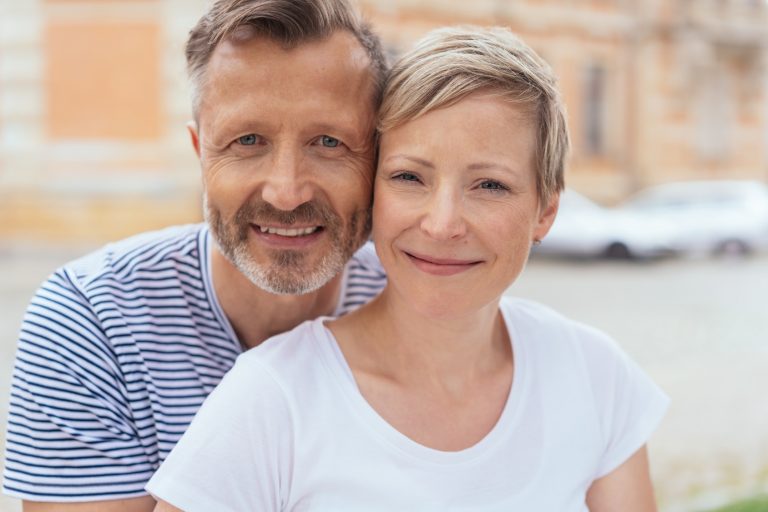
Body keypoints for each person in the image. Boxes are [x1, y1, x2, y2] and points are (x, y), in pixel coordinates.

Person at [147, 25, 669, 512]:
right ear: (372, 190)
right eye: (409, 177)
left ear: (546, 210)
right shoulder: (271, 399)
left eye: (489, 185)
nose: (442, 224)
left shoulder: (596, 376)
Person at [2, 1, 388, 510]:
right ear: (199, 151)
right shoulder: (91, 318)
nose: (287, 191)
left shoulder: (416, 303)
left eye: (330, 142)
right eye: (247, 140)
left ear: (380, 156)